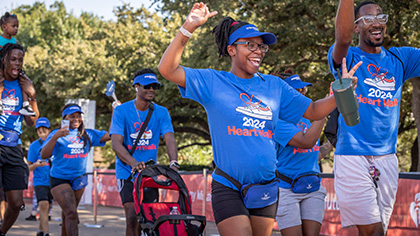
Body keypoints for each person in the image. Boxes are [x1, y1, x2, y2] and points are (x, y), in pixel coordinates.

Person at [158, 3, 361, 236]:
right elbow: (168, 69)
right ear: (231, 49)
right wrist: (188, 27)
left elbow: (314, 110)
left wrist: (340, 90)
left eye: (262, 47)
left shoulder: (275, 86)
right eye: (250, 45)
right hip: (228, 184)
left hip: (266, 186)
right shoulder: (213, 82)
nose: (259, 51)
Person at [328, 0, 420, 235]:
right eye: (367, 19)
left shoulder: (401, 59)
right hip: (352, 155)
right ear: (356, 27)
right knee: (374, 231)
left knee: (380, 230)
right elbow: (343, 39)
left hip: (387, 158)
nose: (376, 23)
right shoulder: (347, 56)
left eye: (380, 17)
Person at [110, 68, 179, 236]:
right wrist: (133, 163)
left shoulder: (161, 112)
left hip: (149, 174)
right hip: (127, 172)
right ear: (136, 87)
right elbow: (116, 144)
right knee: (132, 216)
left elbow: (169, 138)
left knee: (148, 219)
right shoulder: (121, 111)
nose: (151, 90)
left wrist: (174, 162)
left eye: (155, 86)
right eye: (147, 86)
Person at [40, 103, 110, 236]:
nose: (76, 119)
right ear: (64, 118)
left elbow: (111, 135)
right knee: (72, 213)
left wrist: (114, 111)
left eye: (78, 116)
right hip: (60, 178)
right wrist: (55, 137)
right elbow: (44, 155)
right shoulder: (56, 134)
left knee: (68, 214)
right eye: (72, 116)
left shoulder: (87, 134)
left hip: (79, 178)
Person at [273, 72, 329, 236]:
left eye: (303, 90)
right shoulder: (277, 122)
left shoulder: (306, 120)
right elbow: (306, 142)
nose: (302, 94)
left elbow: (312, 154)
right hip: (286, 190)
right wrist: (323, 112)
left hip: (312, 187)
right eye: (297, 91)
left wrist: (332, 143)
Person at [0, 43, 39, 235]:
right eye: (13, 59)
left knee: (15, 203)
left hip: (13, 147)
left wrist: (31, 95)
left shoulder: (24, 84)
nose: (17, 63)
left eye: (20, 60)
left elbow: (31, 121)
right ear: (3, 60)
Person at [0, 12, 36, 116]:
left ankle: (25, 104)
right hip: (1, 67)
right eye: (13, 26)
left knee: (24, 81)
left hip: (10, 68)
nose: (16, 29)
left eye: (17, 27)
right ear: (4, 27)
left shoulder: (15, 41)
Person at [27, 117, 53, 236]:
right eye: (39, 132)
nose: (42, 134)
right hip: (40, 181)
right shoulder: (33, 146)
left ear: (49, 130)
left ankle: (41, 229)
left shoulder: (55, 143)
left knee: (47, 208)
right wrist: (36, 164)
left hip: (54, 180)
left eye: (44, 131)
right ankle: (46, 233)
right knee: (43, 204)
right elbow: (28, 167)